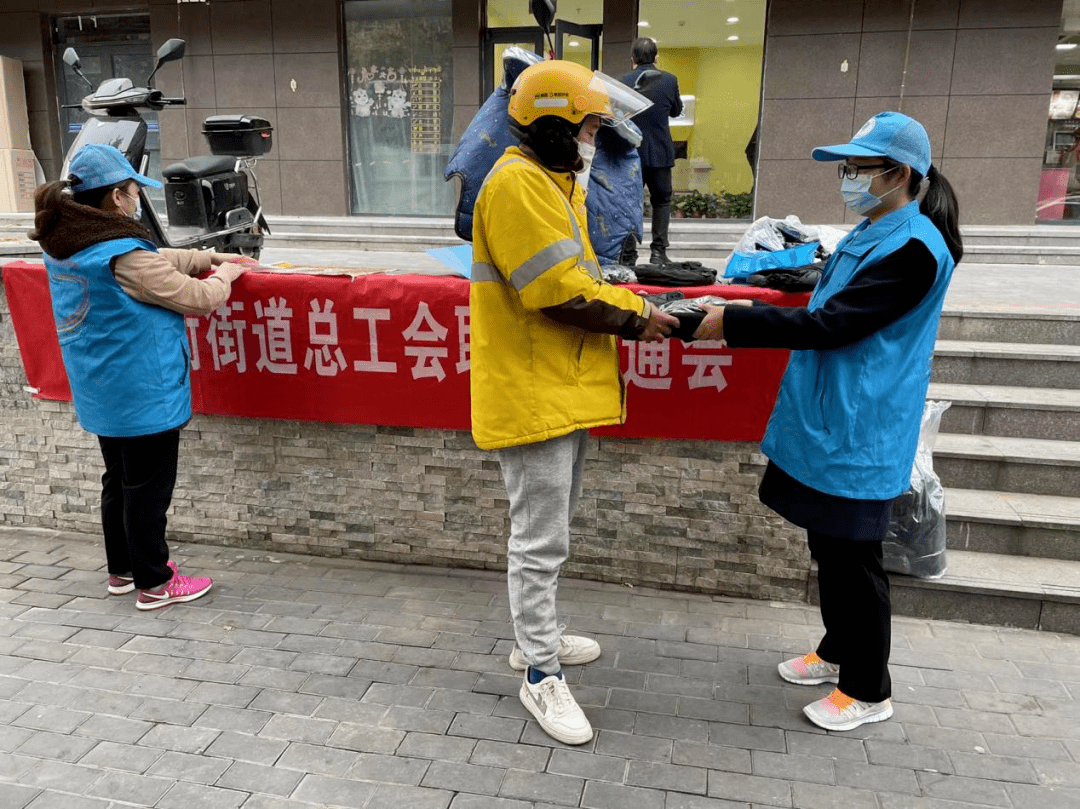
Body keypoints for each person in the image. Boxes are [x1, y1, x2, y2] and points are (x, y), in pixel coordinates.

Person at [693, 111, 963, 732]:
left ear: (899, 174)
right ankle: (839, 651)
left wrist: (731, 324)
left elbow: (832, 324)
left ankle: (869, 688)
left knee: (854, 557)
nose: (848, 178)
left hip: (862, 425)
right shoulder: (876, 231)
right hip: (830, 415)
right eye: (847, 167)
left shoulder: (915, 248)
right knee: (828, 543)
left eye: (859, 168)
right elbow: (824, 299)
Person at [469, 59, 679, 745]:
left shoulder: (552, 185)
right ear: (555, 126)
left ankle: (539, 638)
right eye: (588, 126)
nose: (594, 138)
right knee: (539, 539)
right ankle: (538, 675)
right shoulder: (519, 186)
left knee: (549, 532)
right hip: (534, 390)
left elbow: (581, 273)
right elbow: (558, 292)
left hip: (559, 385)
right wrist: (638, 316)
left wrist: (631, 296)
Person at [30, 143, 253, 611]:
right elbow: (195, 298)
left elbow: (152, 264)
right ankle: (155, 582)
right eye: (134, 191)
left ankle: (123, 570)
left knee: (120, 480)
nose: (137, 200)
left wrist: (201, 258)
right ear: (116, 197)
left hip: (102, 386)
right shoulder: (118, 250)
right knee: (149, 489)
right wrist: (227, 272)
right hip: (141, 390)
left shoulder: (68, 239)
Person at [620, 37, 683, 266]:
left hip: (629, 154)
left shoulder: (622, 82)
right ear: (656, 58)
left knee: (629, 203)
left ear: (633, 59)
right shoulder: (670, 80)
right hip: (660, 151)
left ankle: (628, 254)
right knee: (662, 202)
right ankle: (658, 253)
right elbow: (676, 111)